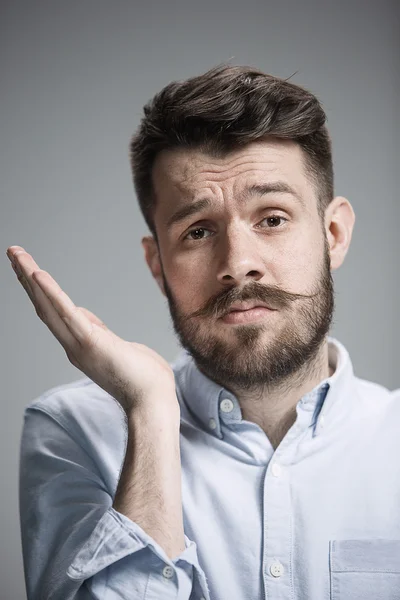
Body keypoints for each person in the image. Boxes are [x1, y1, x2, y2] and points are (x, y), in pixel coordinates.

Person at [10, 63, 400, 600]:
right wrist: (150, 412)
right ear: (157, 263)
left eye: (273, 218)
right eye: (197, 231)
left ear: (333, 234)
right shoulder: (74, 432)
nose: (238, 264)